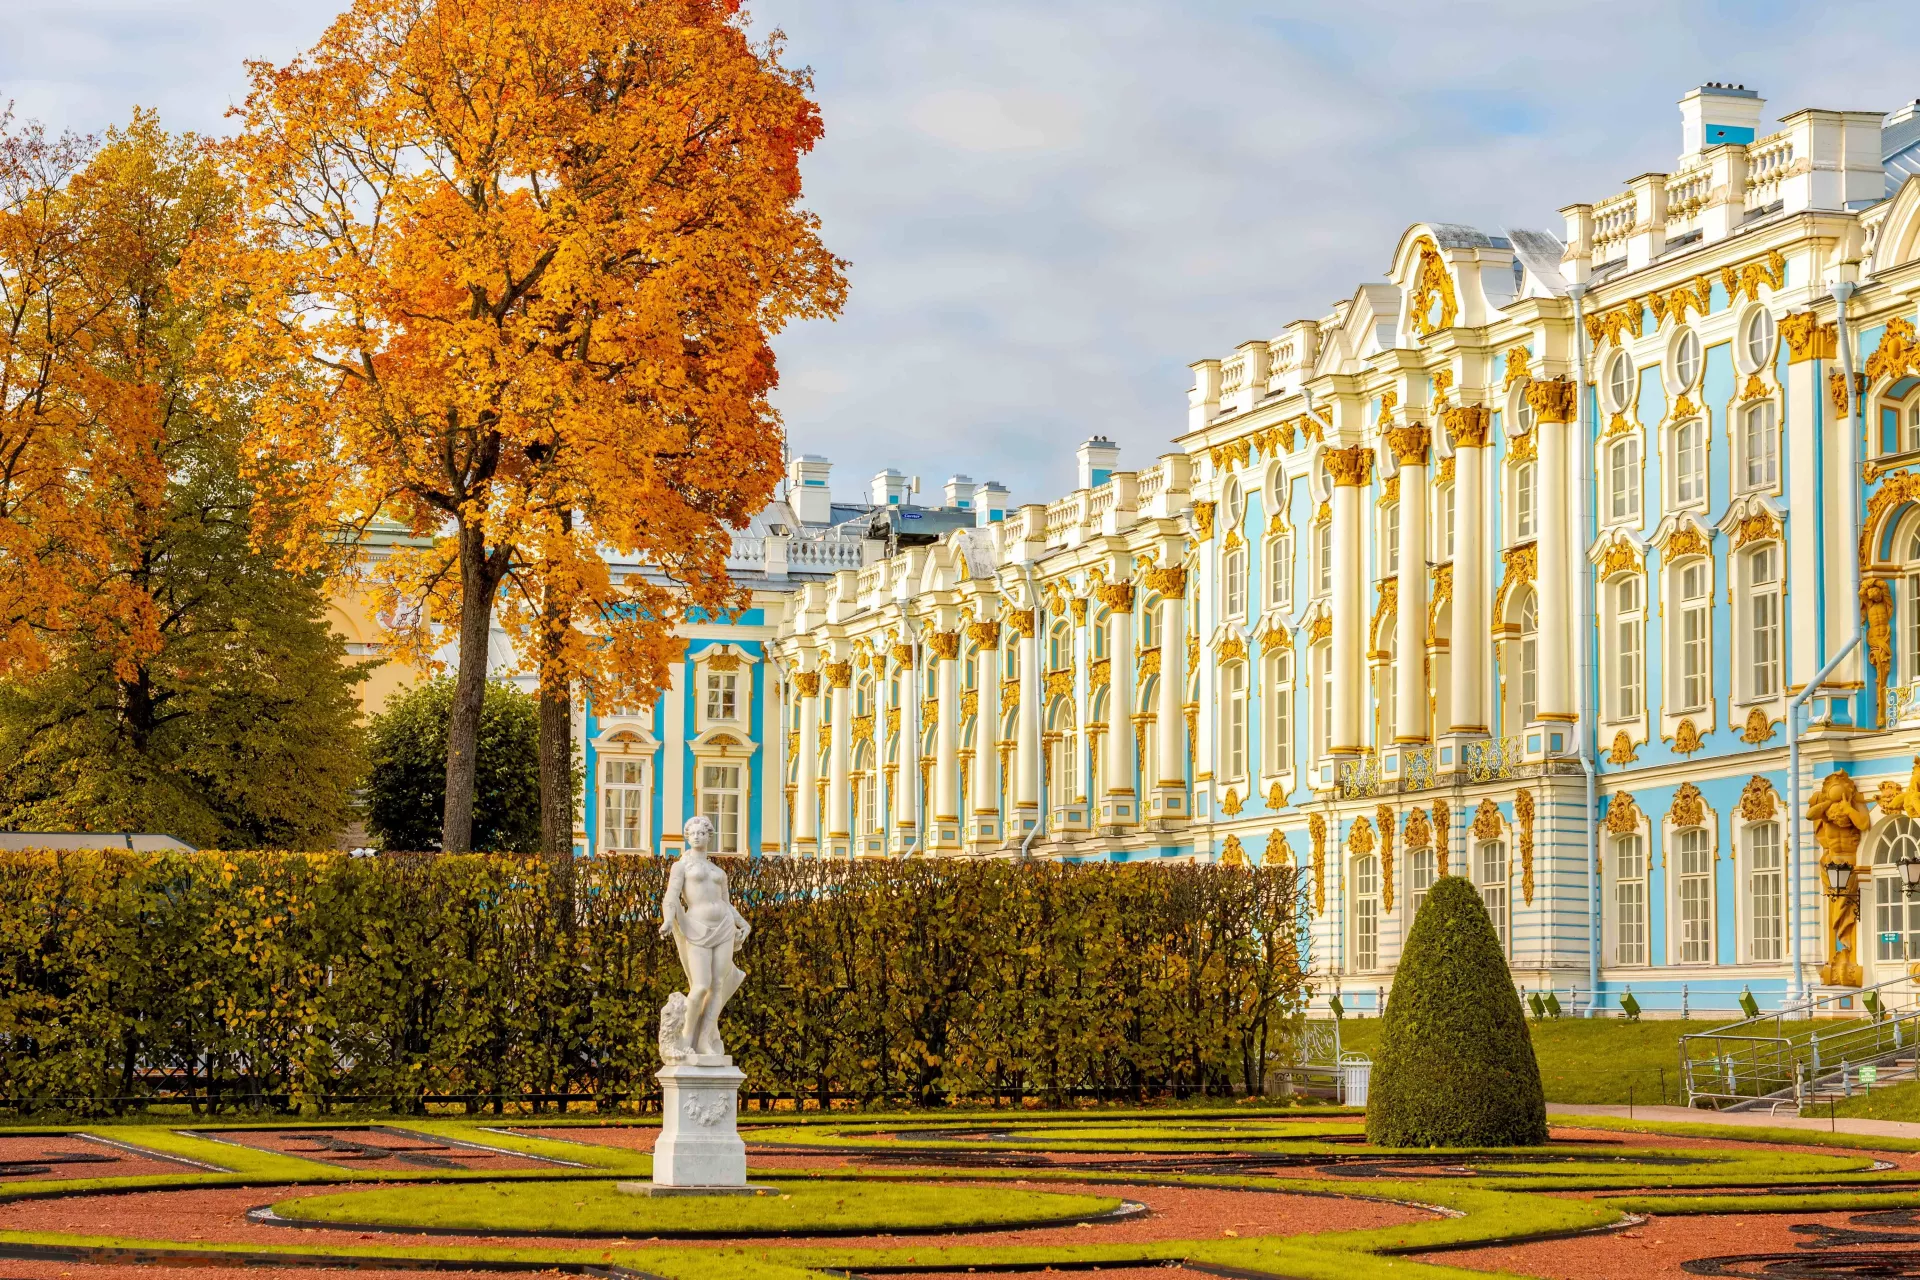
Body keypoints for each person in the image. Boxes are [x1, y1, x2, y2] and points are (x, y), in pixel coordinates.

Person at [658, 815, 750, 1059]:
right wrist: (668, 919)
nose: (697, 837)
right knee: (700, 986)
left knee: (718, 985)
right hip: (697, 928)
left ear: (709, 836)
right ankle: (685, 1038)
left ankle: (704, 1040)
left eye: (702, 833)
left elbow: (726, 903)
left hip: (725, 927)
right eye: (693, 833)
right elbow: (671, 896)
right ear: (687, 837)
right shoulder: (681, 867)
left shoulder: (718, 871)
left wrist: (742, 923)